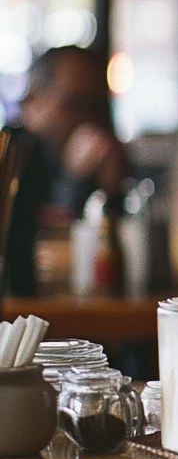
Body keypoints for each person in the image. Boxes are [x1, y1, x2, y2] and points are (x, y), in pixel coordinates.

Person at [3, 46, 128, 296]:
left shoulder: (108, 157)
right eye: (73, 104)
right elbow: (23, 271)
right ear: (33, 104)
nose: (86, 118)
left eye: (95, 105)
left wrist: (114, 193)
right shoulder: (12, 158)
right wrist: (72, 181)